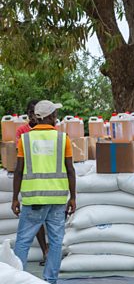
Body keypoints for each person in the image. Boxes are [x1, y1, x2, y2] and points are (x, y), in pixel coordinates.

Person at [11, 100, 76, 284]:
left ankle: (17, 279)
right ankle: (50, 280)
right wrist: (73, 197)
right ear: (50, 117)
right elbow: (70, 169)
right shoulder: (63, 139)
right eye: (55, 114)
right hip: (57, 199)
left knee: (23, 241)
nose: (56, 117)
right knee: (56, 241)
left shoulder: (25, 139)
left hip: (33, 199)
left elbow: (19, 170)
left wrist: (15, 198)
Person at [15, 99, 49, 266]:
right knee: (34, 221)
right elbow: (20, 160)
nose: (33, 116)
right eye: (30, 113)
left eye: (35, 113)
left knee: (44, 219)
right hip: (31, 182)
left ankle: (48, 254)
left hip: (49, 182)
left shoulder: (52, 130)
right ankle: (45, 251)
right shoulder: (22, 131)